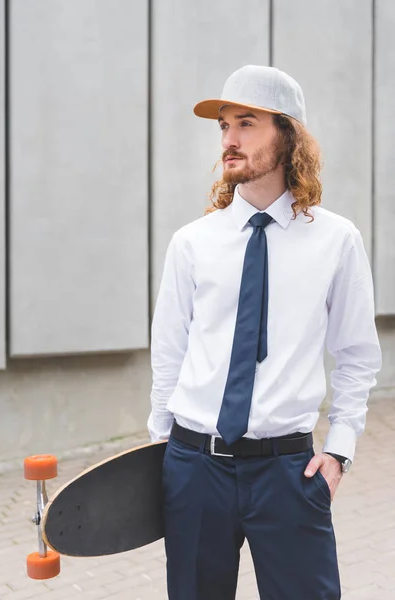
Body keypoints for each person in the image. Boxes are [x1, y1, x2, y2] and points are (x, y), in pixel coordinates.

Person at [147, 65, 382, 600]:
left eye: (246, 123)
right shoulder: (192, 243)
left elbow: (356, 354)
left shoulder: (335, 240)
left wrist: (339, 451)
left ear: (288, 135)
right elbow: (169, 354)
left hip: (289, 473)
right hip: (194, 468)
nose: (229, 140)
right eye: (224, 126)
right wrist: (162, 451)